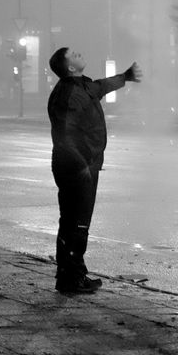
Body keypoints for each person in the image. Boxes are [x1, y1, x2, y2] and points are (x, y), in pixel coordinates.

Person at [47, 47, 142, 294]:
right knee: (76, 224)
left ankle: (71, 275)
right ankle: (72, 279)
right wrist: (82, 166)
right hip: (77, 168)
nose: (80, 53)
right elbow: (65, 136)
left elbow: (101, 86)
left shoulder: (82, 87)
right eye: (74, 54)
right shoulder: (68, 93)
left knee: (73, 223)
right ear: (69, 67)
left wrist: (125, 76)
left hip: (84, 165)